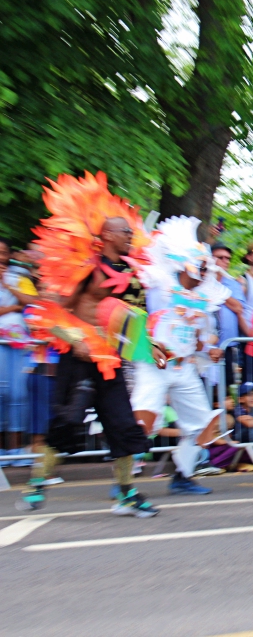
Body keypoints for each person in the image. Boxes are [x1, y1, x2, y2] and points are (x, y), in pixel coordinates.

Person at [19, 172, 158, 516]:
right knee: (67, 423)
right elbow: (51, 312)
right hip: (79, 358)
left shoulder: (131, 274)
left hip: (110, 359)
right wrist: (74, 339)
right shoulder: (86, 269)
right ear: (107, 234)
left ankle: (127, 494)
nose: (130, 235)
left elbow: (134, 318)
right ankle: (37, 484)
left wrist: (150, 346)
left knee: (124, 425)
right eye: (125, 231)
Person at [132, 216, 229, 496]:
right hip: (154, 364)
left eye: (206, 264)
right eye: (200, 262)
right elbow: (134, 310)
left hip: (184, 369)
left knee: (204, 425)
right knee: (142, 422)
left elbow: (198, 340)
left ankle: (182, 475)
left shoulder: (202, 300)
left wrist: (207, 349)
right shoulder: (159, 282)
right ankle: (123, 482)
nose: (205, 267)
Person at [0, 238, 34, 466]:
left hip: (19, 343)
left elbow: (33, 302)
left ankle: (16, 450)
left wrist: (9, 285)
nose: (1, 256)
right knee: (1, 394)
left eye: (3, 252)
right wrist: (13, 307)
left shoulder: (19, 276)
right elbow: (17, 306)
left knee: (18, 395)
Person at [211, 242, 249, 388]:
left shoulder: (233, 283)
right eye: (221, 257)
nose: (226, 261)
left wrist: (216, 289)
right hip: (206, 347)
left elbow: (238, 308)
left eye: (228, 258)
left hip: (228, 345)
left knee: (227, 388)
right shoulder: (199, 279)